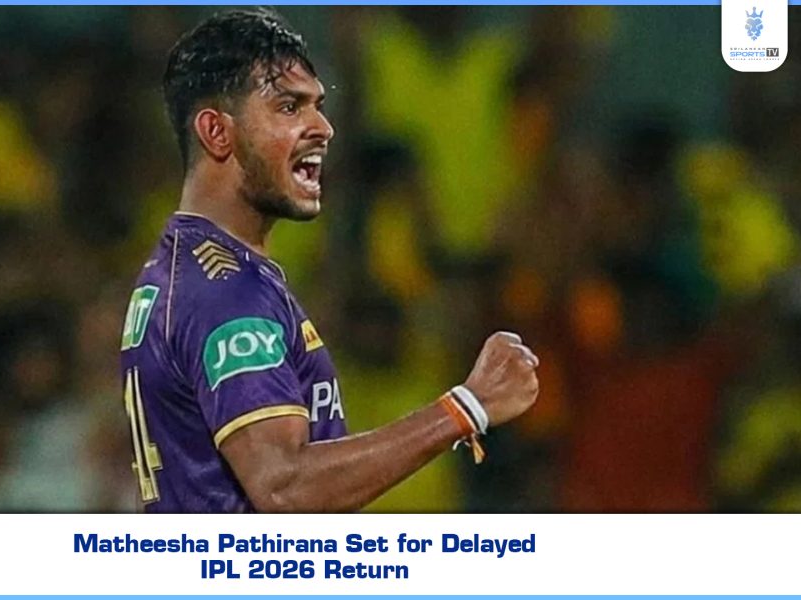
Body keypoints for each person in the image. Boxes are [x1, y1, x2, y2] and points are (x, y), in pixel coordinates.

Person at [120, 9, 539, 513]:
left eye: (317, 106)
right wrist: (466, 407)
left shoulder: (188, 268)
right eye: (288, 108)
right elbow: (284, 488)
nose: (322, 128)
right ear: (217, 132)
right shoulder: (226, 292)